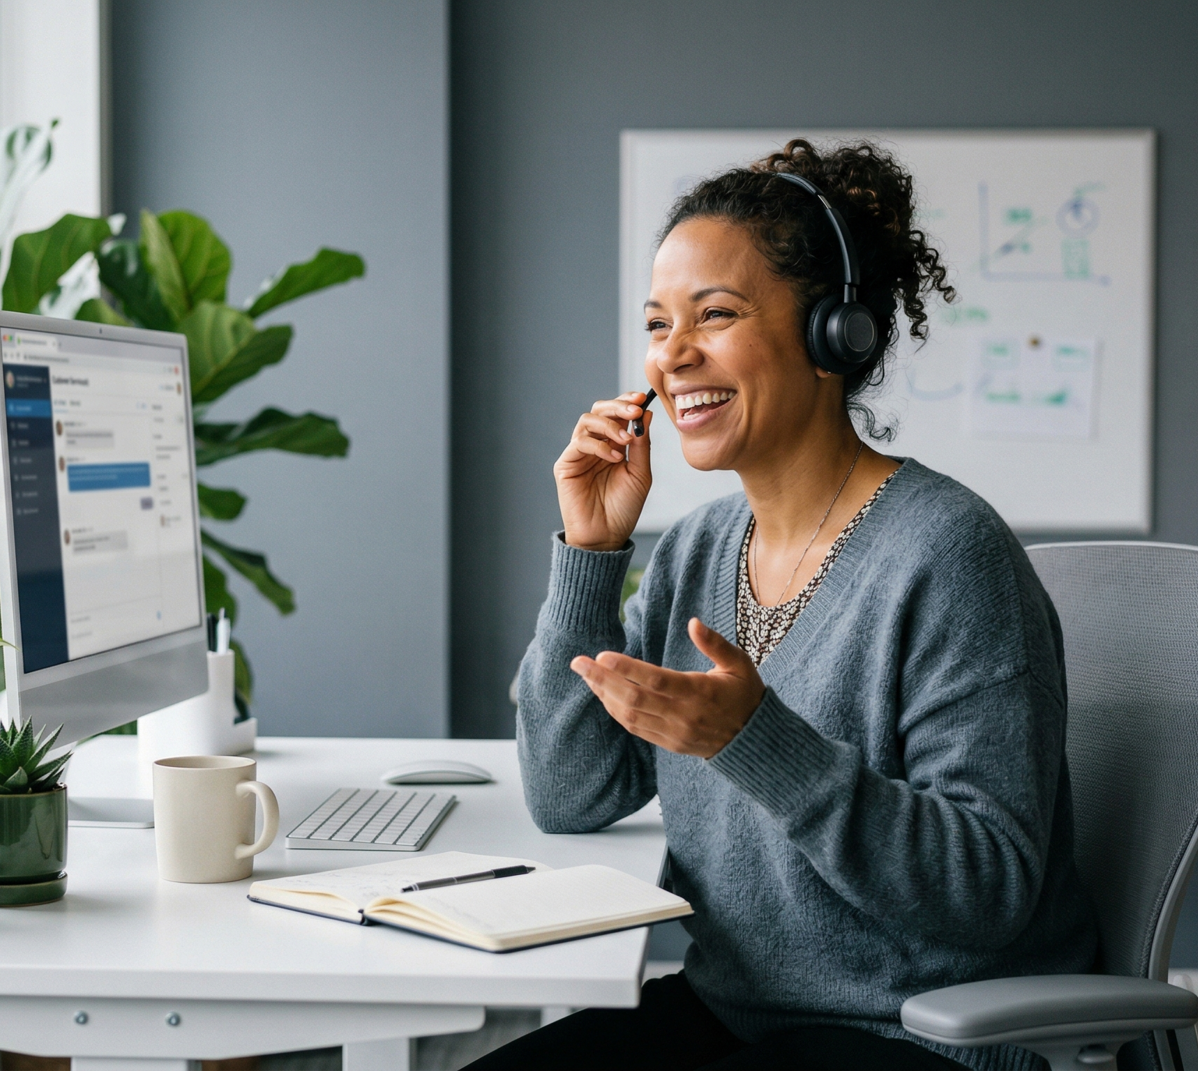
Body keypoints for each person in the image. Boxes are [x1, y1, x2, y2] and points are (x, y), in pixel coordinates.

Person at [467, 140, 1098, 1071]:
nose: (671, 356)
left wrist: (754, 739)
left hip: (919, 1035)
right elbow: (570, 794)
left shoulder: (950, 555)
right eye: (657, 324)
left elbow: (987, 888)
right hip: (734, 1014)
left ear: (831, 336)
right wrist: (592, 555)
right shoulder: (694, 552)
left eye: (714, 315)